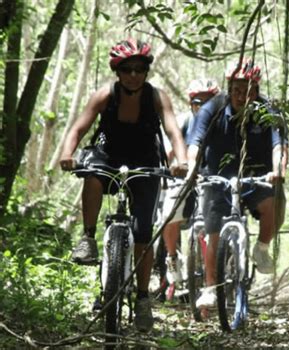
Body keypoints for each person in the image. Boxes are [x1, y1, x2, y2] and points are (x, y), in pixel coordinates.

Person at [59, 38, 188, 332]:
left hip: (145, 160)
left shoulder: (157, 96)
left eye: (139, 69)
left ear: (146, 71)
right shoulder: (105, 94)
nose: (133, 75)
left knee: (143, 233)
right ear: (117, 71)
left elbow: (172, 130)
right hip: (108, 156)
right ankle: (89, 238)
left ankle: (142, 299)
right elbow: (79, 127)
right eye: (127, 69)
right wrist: (67, 154)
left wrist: (180, 160)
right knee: (91, 176)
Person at [186, 58, 288, 310]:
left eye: (250, 90)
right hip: (218, 174)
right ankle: (210, 288)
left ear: (258, 89)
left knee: (275, 202)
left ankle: (262, 248)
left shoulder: (267, 111)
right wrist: (191, 170)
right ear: (229, 88)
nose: (243, 96)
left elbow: (279, 146)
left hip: (257, 174)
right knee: (213, 234)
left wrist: (277, 170)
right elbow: (195, 144)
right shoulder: (213, 108)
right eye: (238, 90)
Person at [161, 78, 220, 285]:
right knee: (169, 213)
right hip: (186, 176)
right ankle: (172, 258)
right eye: (198, 102)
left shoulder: (223, 123)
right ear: (190, 104)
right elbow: (170, 150)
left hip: (214, 178)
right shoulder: (185, 121)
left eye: (209, 102)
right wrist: (166, 169)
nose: (203, 107)